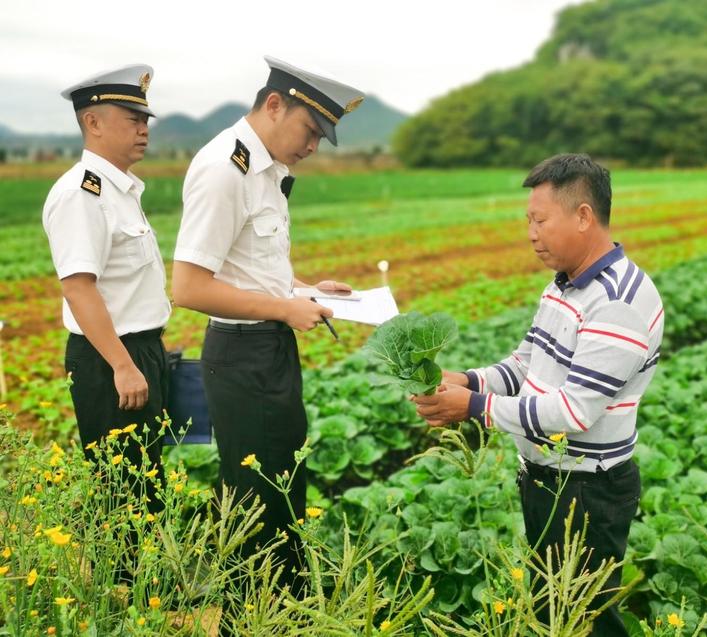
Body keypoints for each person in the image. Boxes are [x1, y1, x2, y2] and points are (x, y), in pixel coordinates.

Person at [413, 154, 664, 635]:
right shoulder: (564, 287)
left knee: (584, 617)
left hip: (587, 491)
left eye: (540, 220)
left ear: (584, 216)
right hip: (549, 478)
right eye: (528, 220)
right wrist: (467, 380)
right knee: (553, 611)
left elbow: (572, 411)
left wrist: (472, 407)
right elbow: (526, 363)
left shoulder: (618, 303)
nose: (530, 233)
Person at [171, 55, 364, 610]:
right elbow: (188, 288)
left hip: (266, 350)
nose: (313, 146)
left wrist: (305, 290)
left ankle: (284, 610)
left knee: (282, 489)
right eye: (310, 130)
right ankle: (248, 616)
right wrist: (283, 310)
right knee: (257, 501)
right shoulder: (222, 169)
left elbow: (251, 268)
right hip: (241, 354)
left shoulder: (267, 170)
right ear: (274, 104)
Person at [42, 65, 171, 579]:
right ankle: (124, 595)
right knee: (121, 485)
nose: (144, 128)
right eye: (132, 117)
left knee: (147, 477)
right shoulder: (82, 193)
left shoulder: (119, 190)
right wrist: (121, 364)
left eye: (146, 118)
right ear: (92, 121)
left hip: (138, 351)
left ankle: (149, 585)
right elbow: (78, 287)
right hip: (109, 357)